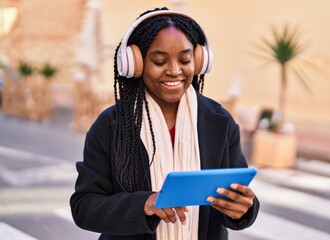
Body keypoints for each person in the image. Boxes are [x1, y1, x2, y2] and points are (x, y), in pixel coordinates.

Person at [70, 7, 259, 240]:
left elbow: (234, 198)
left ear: (199, 60)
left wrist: (243, 210)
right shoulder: (111, 125)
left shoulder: (219, 122)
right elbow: (85, 207)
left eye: (185, 59)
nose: (174, 71)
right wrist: (145, 204)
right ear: (135, 64)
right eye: (159, 61)